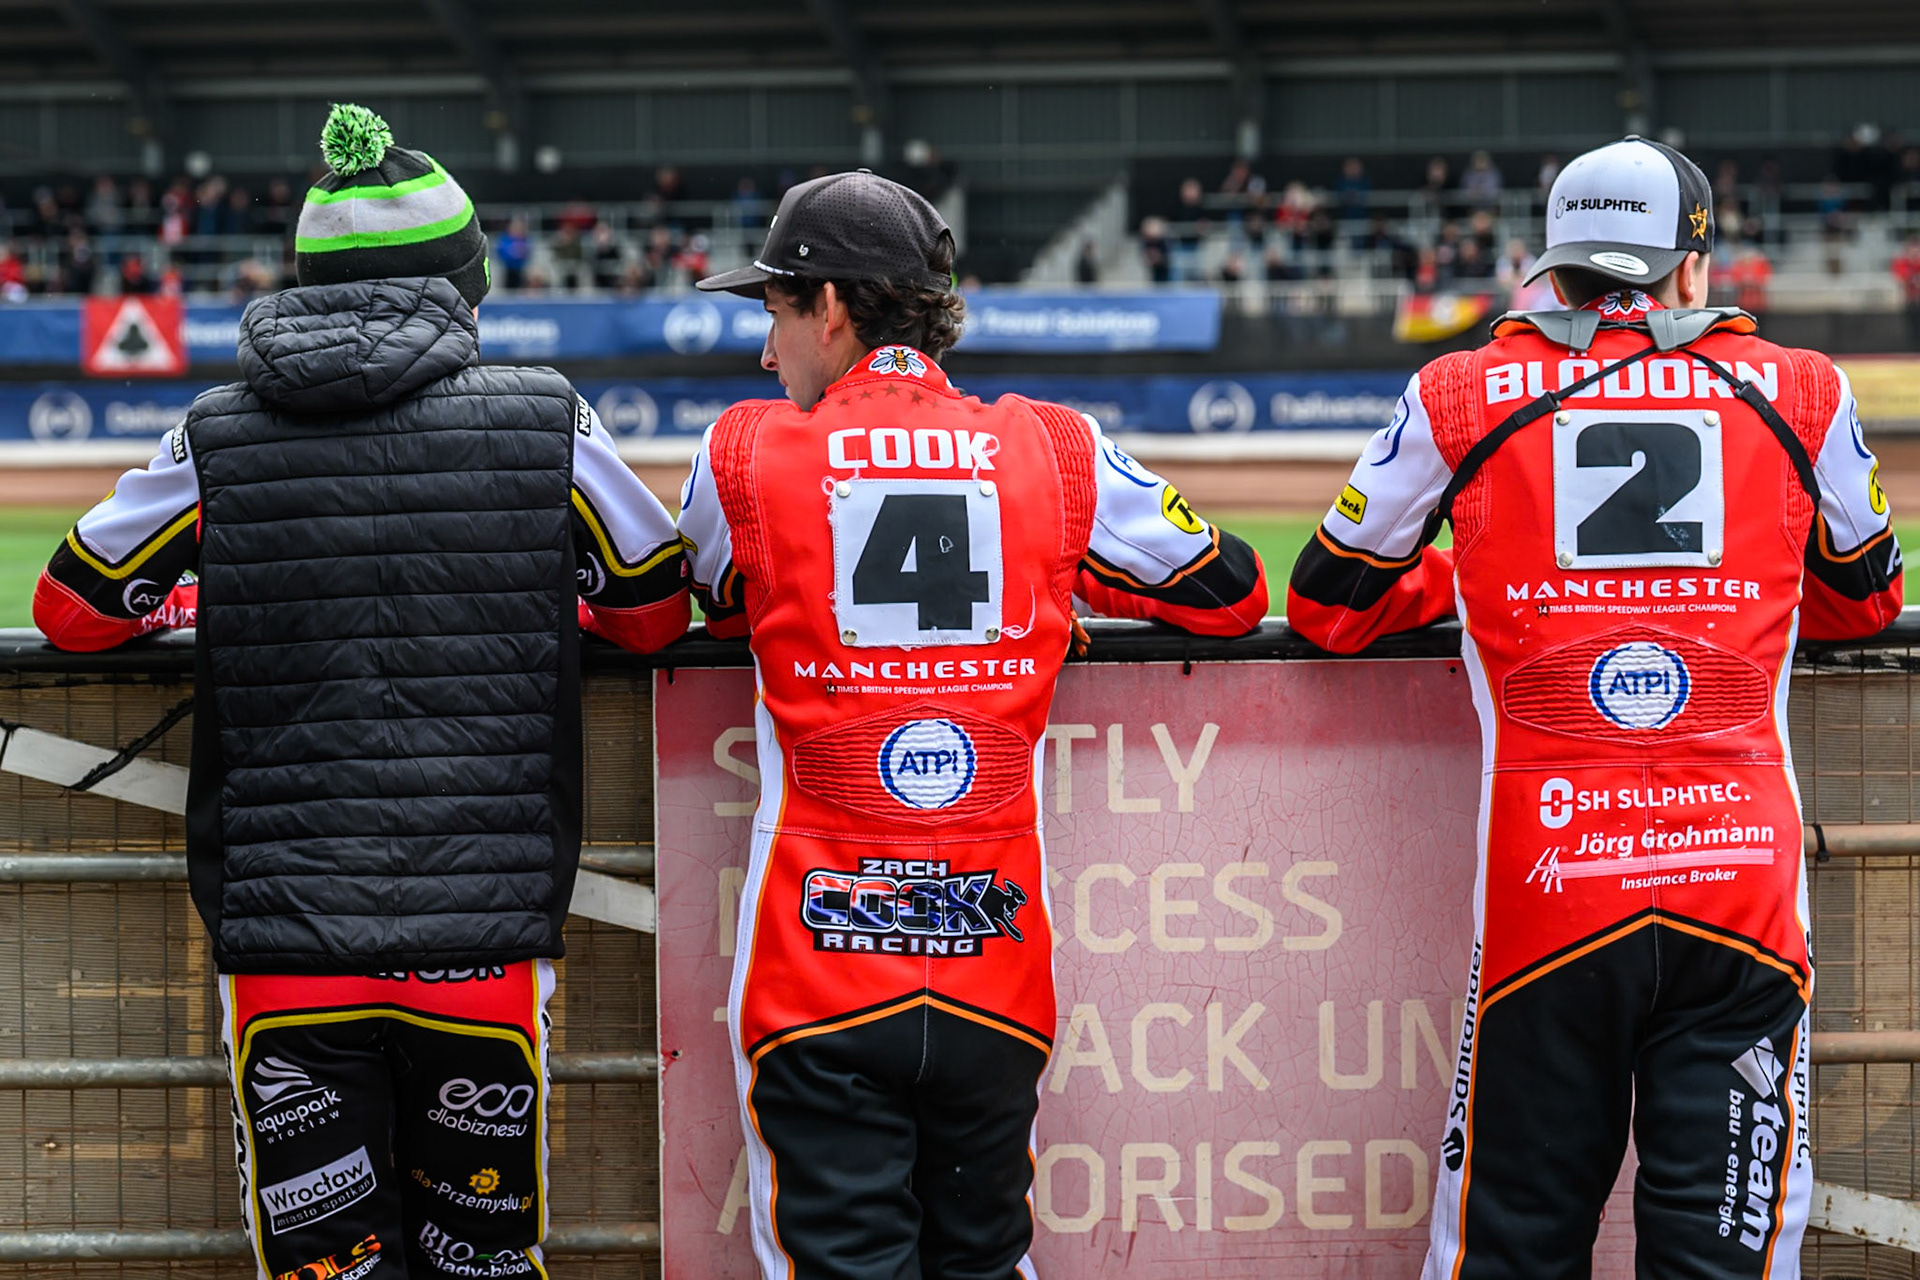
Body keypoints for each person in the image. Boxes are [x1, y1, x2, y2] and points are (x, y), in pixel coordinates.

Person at [32, 104, 691, 1280]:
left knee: (327, 1271)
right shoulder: (550, 416)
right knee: (481, 1266)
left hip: (287, 945)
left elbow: (72, 609)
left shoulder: (215, 430)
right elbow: (650, 610)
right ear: (463, 285)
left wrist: (193, 605)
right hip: (482, 946)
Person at [1288, 136, 1902, 1278]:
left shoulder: (1458, 389)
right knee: (1725, 1257)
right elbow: (1869, 601)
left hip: (1548, 893)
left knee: (1511, 1245)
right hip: (1743, 890)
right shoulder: (1804, 388)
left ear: (1554, 262)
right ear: (1692, 266)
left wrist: (1467, 585)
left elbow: (1329, 604)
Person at [682, 170, 1269, 1279]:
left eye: (773, 311)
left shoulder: (744, 449)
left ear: (835, 309)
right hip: (995, 974)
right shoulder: (1055, 444)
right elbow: (1231, 589)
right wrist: (1053, 600)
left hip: (817, 972)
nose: (768, 351)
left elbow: (682, 604)